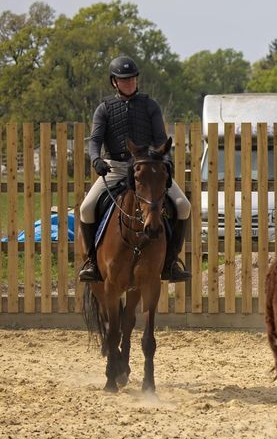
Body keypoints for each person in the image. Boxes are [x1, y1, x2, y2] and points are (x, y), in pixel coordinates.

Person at [77, 56, 192, 283]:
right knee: (86, 208)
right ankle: (92, 263)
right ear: (114, 82)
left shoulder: (150, 106)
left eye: (132, 79)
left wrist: (165, 162)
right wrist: (95, 159)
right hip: (116, 168)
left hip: (148, 170)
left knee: (183, 205)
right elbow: (95, 140)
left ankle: (171, 262)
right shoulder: (104, 109)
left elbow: (160, 140)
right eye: (124, 79)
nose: (129, 83)